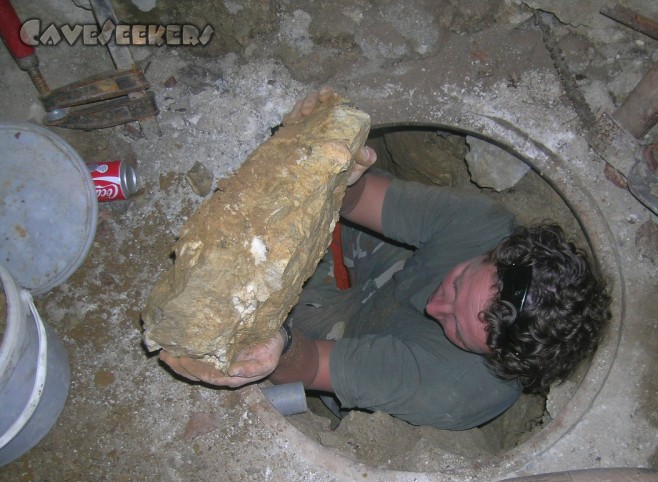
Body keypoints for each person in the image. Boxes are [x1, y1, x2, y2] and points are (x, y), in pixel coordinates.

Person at [160, 88, 611, 430]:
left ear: (494, 360)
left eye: (457, 329)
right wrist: (328, 166)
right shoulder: (485, 227)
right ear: (497, 253)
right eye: (458, 283)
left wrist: (273, 344)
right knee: (294, 216)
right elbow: (359, 199)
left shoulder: (455, 389)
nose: (435, 306)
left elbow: (310, 363)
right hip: (391, 267)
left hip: (359, 339)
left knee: (262, 329)